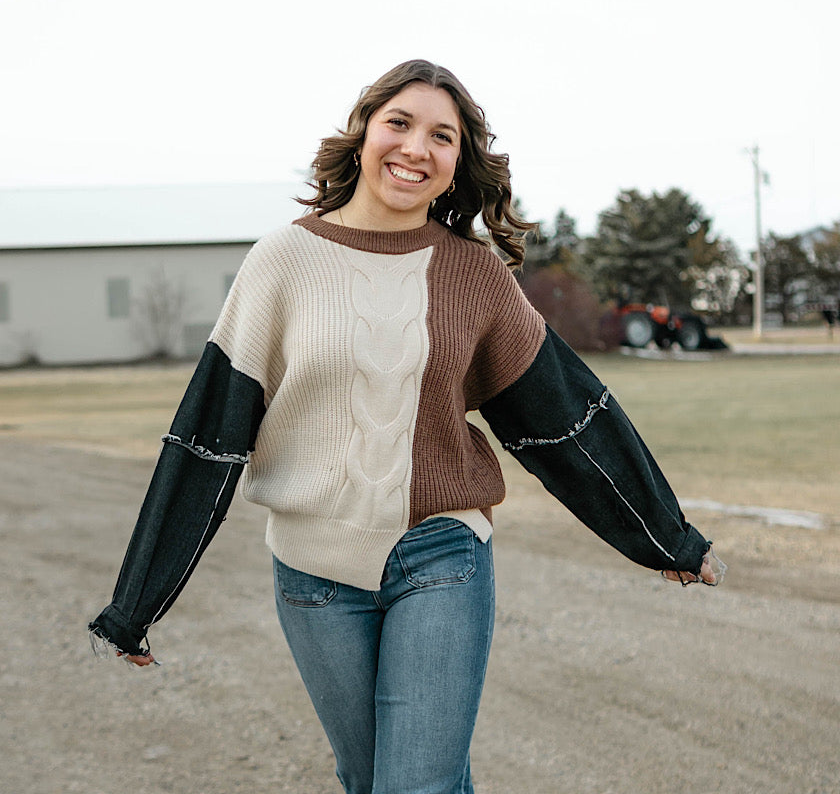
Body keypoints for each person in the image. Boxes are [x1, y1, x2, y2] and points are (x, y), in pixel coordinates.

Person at [89, 59, 722, 794]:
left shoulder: (476, 276)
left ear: (458, 163)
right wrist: (137, 604)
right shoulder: (282, 262)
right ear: (363, 133)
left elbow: (567, 417)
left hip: (442, 552)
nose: (416, 147)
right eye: (399, 123)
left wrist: (664, 536)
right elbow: (207, 436)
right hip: (313, 570)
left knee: (417, 785)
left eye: (442, 136)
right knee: (369, 780)